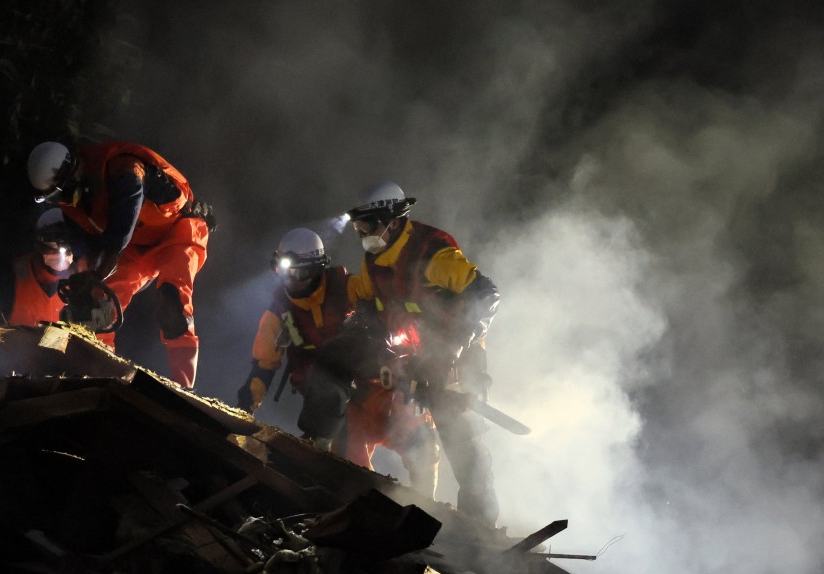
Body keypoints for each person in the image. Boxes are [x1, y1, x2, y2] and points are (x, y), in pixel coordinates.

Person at [300, 181, 501, 524]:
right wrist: (382, 354)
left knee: (454, 422)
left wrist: (451, 351)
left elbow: (486, 295)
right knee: (334, 356)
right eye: (359, 226)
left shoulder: (431, 254)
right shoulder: (374, 260)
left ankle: (480, 520)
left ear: (394, 221)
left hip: (450, 348)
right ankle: (315, 444)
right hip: (407, 349)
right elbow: (366, 306)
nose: (363, 233)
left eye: (369, 224)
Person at [236, 228, 440, 497]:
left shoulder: (351, 289)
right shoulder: (279, 314)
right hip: (341, 408)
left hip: (384, 389)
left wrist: (411, 362)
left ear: (317, 268)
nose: (292, 281)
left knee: (420, 444)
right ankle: (355, 513)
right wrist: (242, 413)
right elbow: (263, 365)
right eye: (285, 272)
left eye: (300, 273)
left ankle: (427, 509)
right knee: (348, 474)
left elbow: (395, 318)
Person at [25, 140, 216, 388]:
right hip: (135, 246)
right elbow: (87, 249)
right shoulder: (71, 207)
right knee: (98, 304)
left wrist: (99, 271)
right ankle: (99, 373)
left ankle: (184, 389)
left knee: (173, 302)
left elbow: (123, 221)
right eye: (56, 196)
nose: (64, 199)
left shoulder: (125, 169)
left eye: (63, 190)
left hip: (179, 232)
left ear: (74, 170)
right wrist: (87, 285)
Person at [7, 208, 74, 327]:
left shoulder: (82, 278)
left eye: (67, 242)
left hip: (63, 345)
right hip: (14, 343)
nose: (61, 250)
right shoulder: (13, 274)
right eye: (54, 239)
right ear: (38, 244)